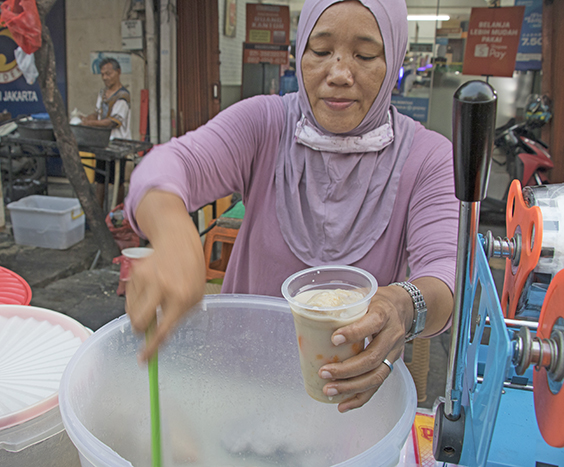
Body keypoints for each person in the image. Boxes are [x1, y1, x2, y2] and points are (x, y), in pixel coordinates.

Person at [124, 0, 459, 413]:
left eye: (366, 55)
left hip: (351, 401)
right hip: (239, 388)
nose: (338, 74)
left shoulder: (428, 157)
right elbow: (166, 167)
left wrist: (403, 304)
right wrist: (173, 233)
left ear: (393, 61)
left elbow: (446, 273)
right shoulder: (265, 125)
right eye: (320, 52)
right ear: (299, 53)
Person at [82, 57, 132, 207]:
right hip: (103, 143)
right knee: (100, 180)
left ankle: (116, 213)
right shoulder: (103, 93)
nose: (105, 78)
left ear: (118, 72)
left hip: (119, 144)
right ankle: (99, 212)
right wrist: (85, 118)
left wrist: (90, 123)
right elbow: (98, 114)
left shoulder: (123, 96)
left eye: (108, 74)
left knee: (117, 181)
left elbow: (113, 122)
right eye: (103, 74)